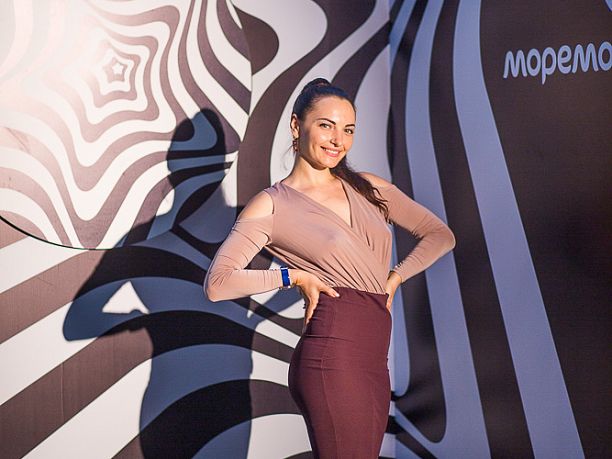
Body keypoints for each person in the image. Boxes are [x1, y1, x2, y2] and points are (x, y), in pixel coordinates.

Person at [203, 78, 456, 458]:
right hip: (331, 357)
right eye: (326, 125)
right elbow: (218, 283)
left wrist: (394, 278)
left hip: (374, 357)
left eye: (348, 129)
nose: (338, 140)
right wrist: (293, 276)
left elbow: (440, 235)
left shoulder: (369, 188)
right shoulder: (272, 204)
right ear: (296, 126)